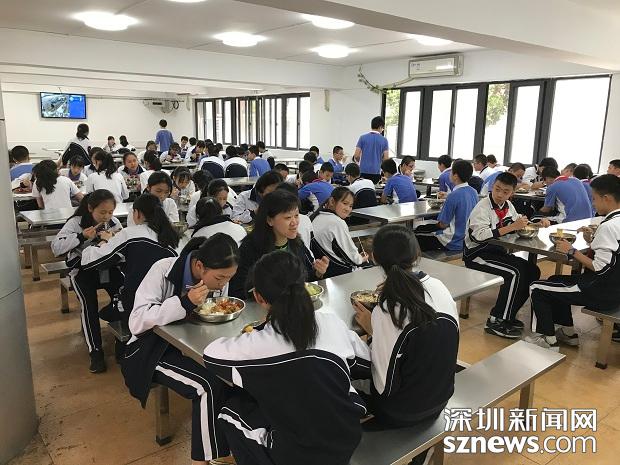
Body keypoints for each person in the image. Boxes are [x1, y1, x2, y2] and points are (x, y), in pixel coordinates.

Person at [204, 251, 369, 465]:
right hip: (347, 439)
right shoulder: (331, 322)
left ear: (259, 298)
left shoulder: (257, 344)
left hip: (296, 454)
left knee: (231, 411)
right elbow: (365, 363)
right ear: (304, 287)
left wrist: (261, 329)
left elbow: (211, 356)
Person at [122, 234, 240, 465]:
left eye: (229, 278)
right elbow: (137, 321)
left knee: (230, 377)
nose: (223, 284)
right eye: (220, 278)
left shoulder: (218, 279)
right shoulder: (163, 270)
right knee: (207, 387)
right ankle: (205, 459)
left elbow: (214, 311)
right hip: (152, 348)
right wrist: (185, 302)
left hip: (193, 343)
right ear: (200, 266)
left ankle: (223, 445)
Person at [352, 225, 459, 450]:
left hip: (402, 412)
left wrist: (372, 330)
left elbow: (383, 385)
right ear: (417, 254)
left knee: (343, 375)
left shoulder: (387, 307)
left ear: (374, 258)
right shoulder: (439, 287)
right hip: (442, 397)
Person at [527, 175, 620, 350]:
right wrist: (591, 239)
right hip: (614, 288)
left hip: (601, 291)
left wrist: (571, 251)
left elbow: (600, 267)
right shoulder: (615, 222)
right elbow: (613, 256)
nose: (593, 204)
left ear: (606, 198)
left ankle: (547, 340)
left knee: (536, 287)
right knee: (555, 280)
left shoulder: (609, 226)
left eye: (594, 199)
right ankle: (568, 333)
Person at [80, 193, 179, 344]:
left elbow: (91, 261)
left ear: (137, 213)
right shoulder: (174, 237)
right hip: (169, 303)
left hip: (138, 304)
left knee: (112, 305)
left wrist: (103, 241)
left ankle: (122, 348)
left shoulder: (131, 233)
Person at [464, 172, 548, 339]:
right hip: (477, 254)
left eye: (505, 191)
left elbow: (519, 224)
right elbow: (478, 236)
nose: (500, 194)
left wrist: (537, 224)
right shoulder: (482, 207)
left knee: (532, 271)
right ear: (492, 186)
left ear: (512, 193)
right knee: (515, 273)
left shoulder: (508, 206)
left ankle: (508, 315)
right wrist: (511, 227)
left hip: (497, 252)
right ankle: (496, 320)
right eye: (497, 189)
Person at [51, 190, 123, 372]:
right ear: (90, 208)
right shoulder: (76, 223)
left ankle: (122, 345)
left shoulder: (113, 223)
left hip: (107, 269)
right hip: (83, 272)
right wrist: (81, 236)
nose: (106, 216)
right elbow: (56, 247)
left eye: (110, 212)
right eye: (102, 212)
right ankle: (95, 351)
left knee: (122, 300)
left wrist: (114, 240)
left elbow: (122, 247)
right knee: (88, 306)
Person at [228, 190, 329, 299]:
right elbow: (238, 291)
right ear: (269, 220)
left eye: (296, 215)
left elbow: (305, 279)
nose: (294, 222)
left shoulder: (297, 243)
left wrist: (318, 272)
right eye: (288, 217)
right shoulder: (250, 248)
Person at [415, 160, 478, 252]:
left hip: (452, 240)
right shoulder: (473, 192)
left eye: (451, 171)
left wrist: (428, 227)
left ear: (455, 176)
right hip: (467, 239)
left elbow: (443, 224)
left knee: (415, 237)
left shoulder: (453, 195)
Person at [310, 187, 370, 277]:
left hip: (323, 269)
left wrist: (356, 256)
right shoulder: (337, 222)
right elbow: (354, 259)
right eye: (345, 203)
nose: (348, 209)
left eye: (350, 206)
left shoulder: (317, 216)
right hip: (338, 272)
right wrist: (361, 258)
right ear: (332, 201)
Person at [353, 116, 389, 184]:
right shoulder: (384, 140)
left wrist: (359, 162)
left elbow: (356, 155)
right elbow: (386, 159)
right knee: (373, 189)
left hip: (363, 171)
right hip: (376, 172)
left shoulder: (362, 138)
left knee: (363, 188)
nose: (382, 130)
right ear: (380, 127)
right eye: (383, 128)